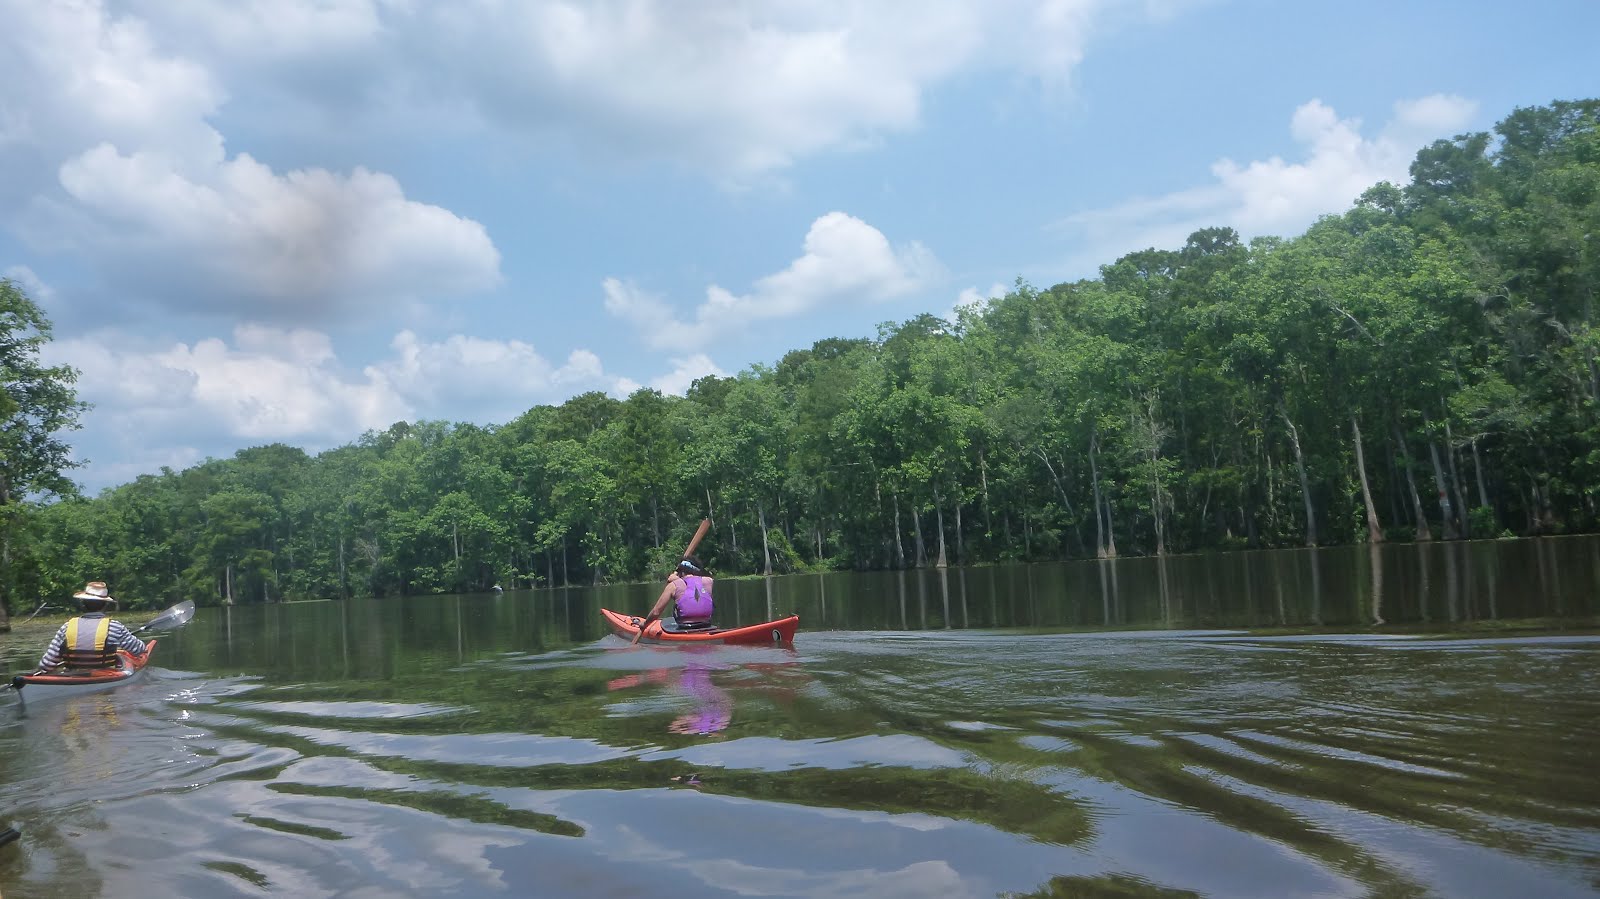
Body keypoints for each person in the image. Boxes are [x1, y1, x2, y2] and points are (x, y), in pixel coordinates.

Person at [36, 581, 148, 672]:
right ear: (105, 604)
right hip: (104, 677)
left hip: (72, 677)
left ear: (83, 604)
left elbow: (46, 664)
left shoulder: (66, 627)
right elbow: (139, 650)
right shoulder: (115, 627)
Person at [664, 556, 715, 629]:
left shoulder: (675, 585)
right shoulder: (709, 581)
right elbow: (692, 580)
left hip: (685, 627)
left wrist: (644, 624)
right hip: (706, 624)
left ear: (682, 572)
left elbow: (656, 612)